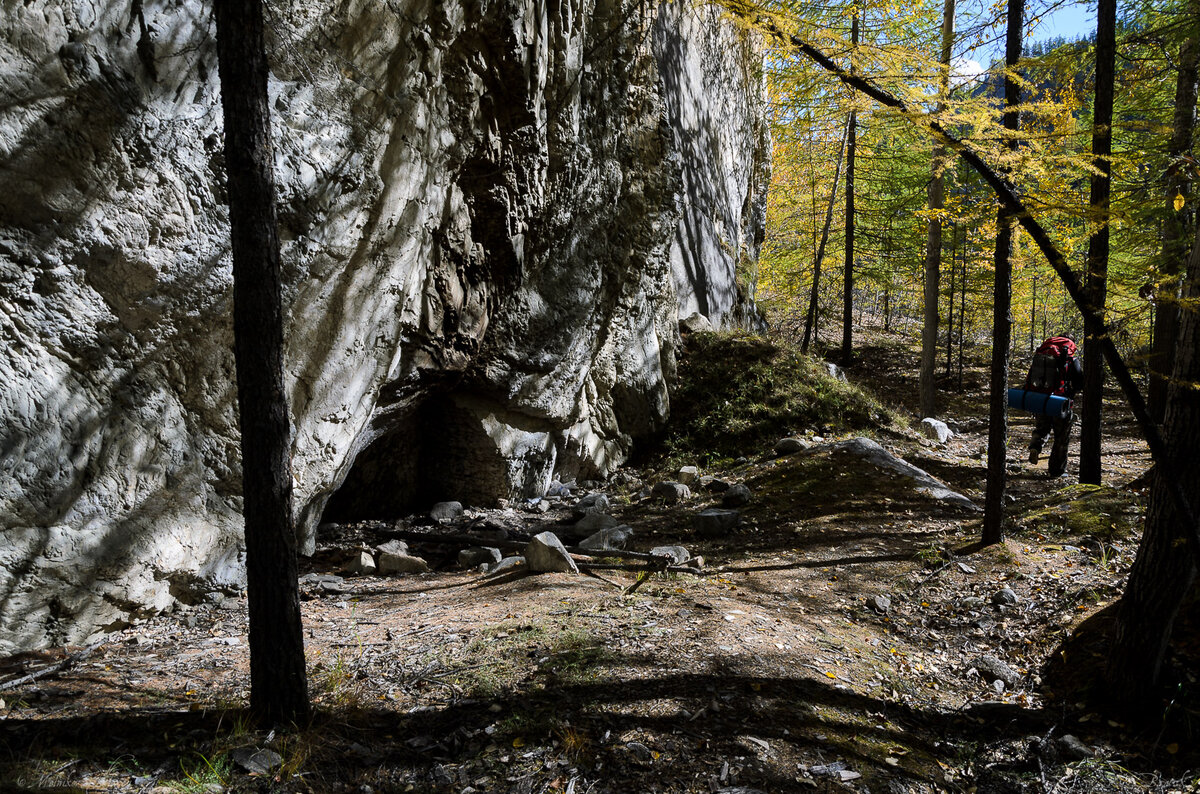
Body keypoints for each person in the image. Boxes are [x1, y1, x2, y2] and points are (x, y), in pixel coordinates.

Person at [1025, 335, 1084, 477]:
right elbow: (1079, 383)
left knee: (1042, 428)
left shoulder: (1043, 354)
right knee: (1061, 436)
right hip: (1060, 401)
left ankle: (1035, 448)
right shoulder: (1070, 358)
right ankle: (1057, 470)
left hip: (1040, 398)